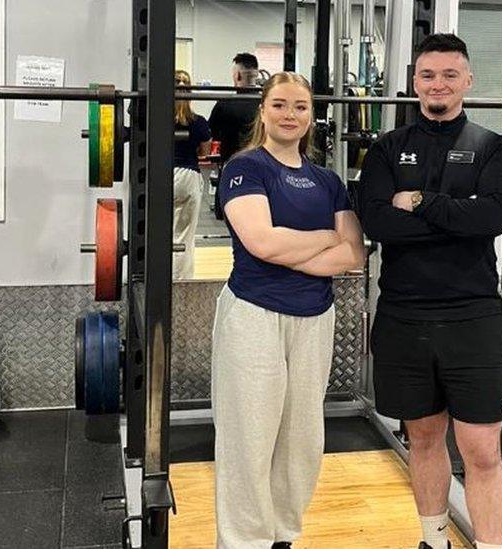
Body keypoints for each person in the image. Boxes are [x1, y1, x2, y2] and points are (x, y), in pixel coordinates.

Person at [355, 34, 502, 549]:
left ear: (468, 81)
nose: (438, 84)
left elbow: (492, 218)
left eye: (450, 74)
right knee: (423, 440)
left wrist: (420, 201)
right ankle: (434, 539)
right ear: (414, 82)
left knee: (482, 449)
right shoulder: (386, 148)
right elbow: (377, 221)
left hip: (472, 318)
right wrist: (454, 214)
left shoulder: (493, 147)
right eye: (428, 75)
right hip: (403, 317)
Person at [211, 71, 366, 549]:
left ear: (311, 115)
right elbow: (260, 242)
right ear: (262, 110)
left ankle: (283, 536)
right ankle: (243, 542)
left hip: (315, 318)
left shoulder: (327, 180)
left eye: (299, 106)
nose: (289, 115)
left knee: (301, 439)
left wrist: (293, 249)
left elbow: (355, 255)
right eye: (279, 104)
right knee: (249, 435)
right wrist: (324, 239)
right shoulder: (246, 169)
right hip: (254, 314)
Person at [209, 53, 262, 219]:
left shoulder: (225, 103)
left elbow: (212, 134)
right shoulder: (266, 105)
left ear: (237, 75)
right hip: (263, 170)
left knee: (231, 217)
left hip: (233, 169)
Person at [172, 69, 212, 279]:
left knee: (160, 232)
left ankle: (156, 279)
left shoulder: (157, 118)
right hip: (188, 176)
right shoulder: (199, 122)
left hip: (161, 175)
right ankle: (180, 283)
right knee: (184, 236)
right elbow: (204, 152)